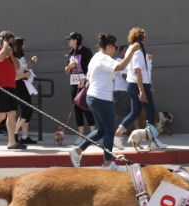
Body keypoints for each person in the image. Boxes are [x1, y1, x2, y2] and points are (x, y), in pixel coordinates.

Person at [70, 34, 136, 169]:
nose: (115, 50)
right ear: (109, 47)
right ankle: (107, 163)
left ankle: (77, 151)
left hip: (94, 97)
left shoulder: (96, 57)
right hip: (102, 98)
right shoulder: (104, 58)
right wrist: (132, 51)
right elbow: (120, 66)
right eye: (115, 47)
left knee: (101, 131)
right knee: (110, 131)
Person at [115, 27, 164, 150]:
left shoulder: (134, 49)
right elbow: (138, 71)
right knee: (150, 112)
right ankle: (152, 141)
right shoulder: (137, 51)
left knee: (135, 112)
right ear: (141, 37)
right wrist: (142, 90)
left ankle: (117, 135)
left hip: (133, 85)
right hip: (139, 85)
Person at [64, 32, 95, 145]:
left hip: (85, 83)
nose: (68, 42)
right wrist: (70, 66)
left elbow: (91, 69)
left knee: (86, 107)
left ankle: (93, 135)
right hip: (74, 84)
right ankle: (81, 135)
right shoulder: (71, 53)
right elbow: (66, 70)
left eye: (70, 40)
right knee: (77, 108)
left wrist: (85, 80)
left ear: (75, 40)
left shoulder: (86, 51)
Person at [12, 37, 38, 146]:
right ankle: (13, 133)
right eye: (23, 44)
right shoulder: (13, 58)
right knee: (26, 111)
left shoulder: (20, 57)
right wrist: (24, 75)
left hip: (24, 85)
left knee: (27, 111)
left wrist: (31, 62)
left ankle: (24, 136)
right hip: (18, 85)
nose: (24, 46)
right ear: (18, 45)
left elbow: (24, 68)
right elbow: (13, 76)